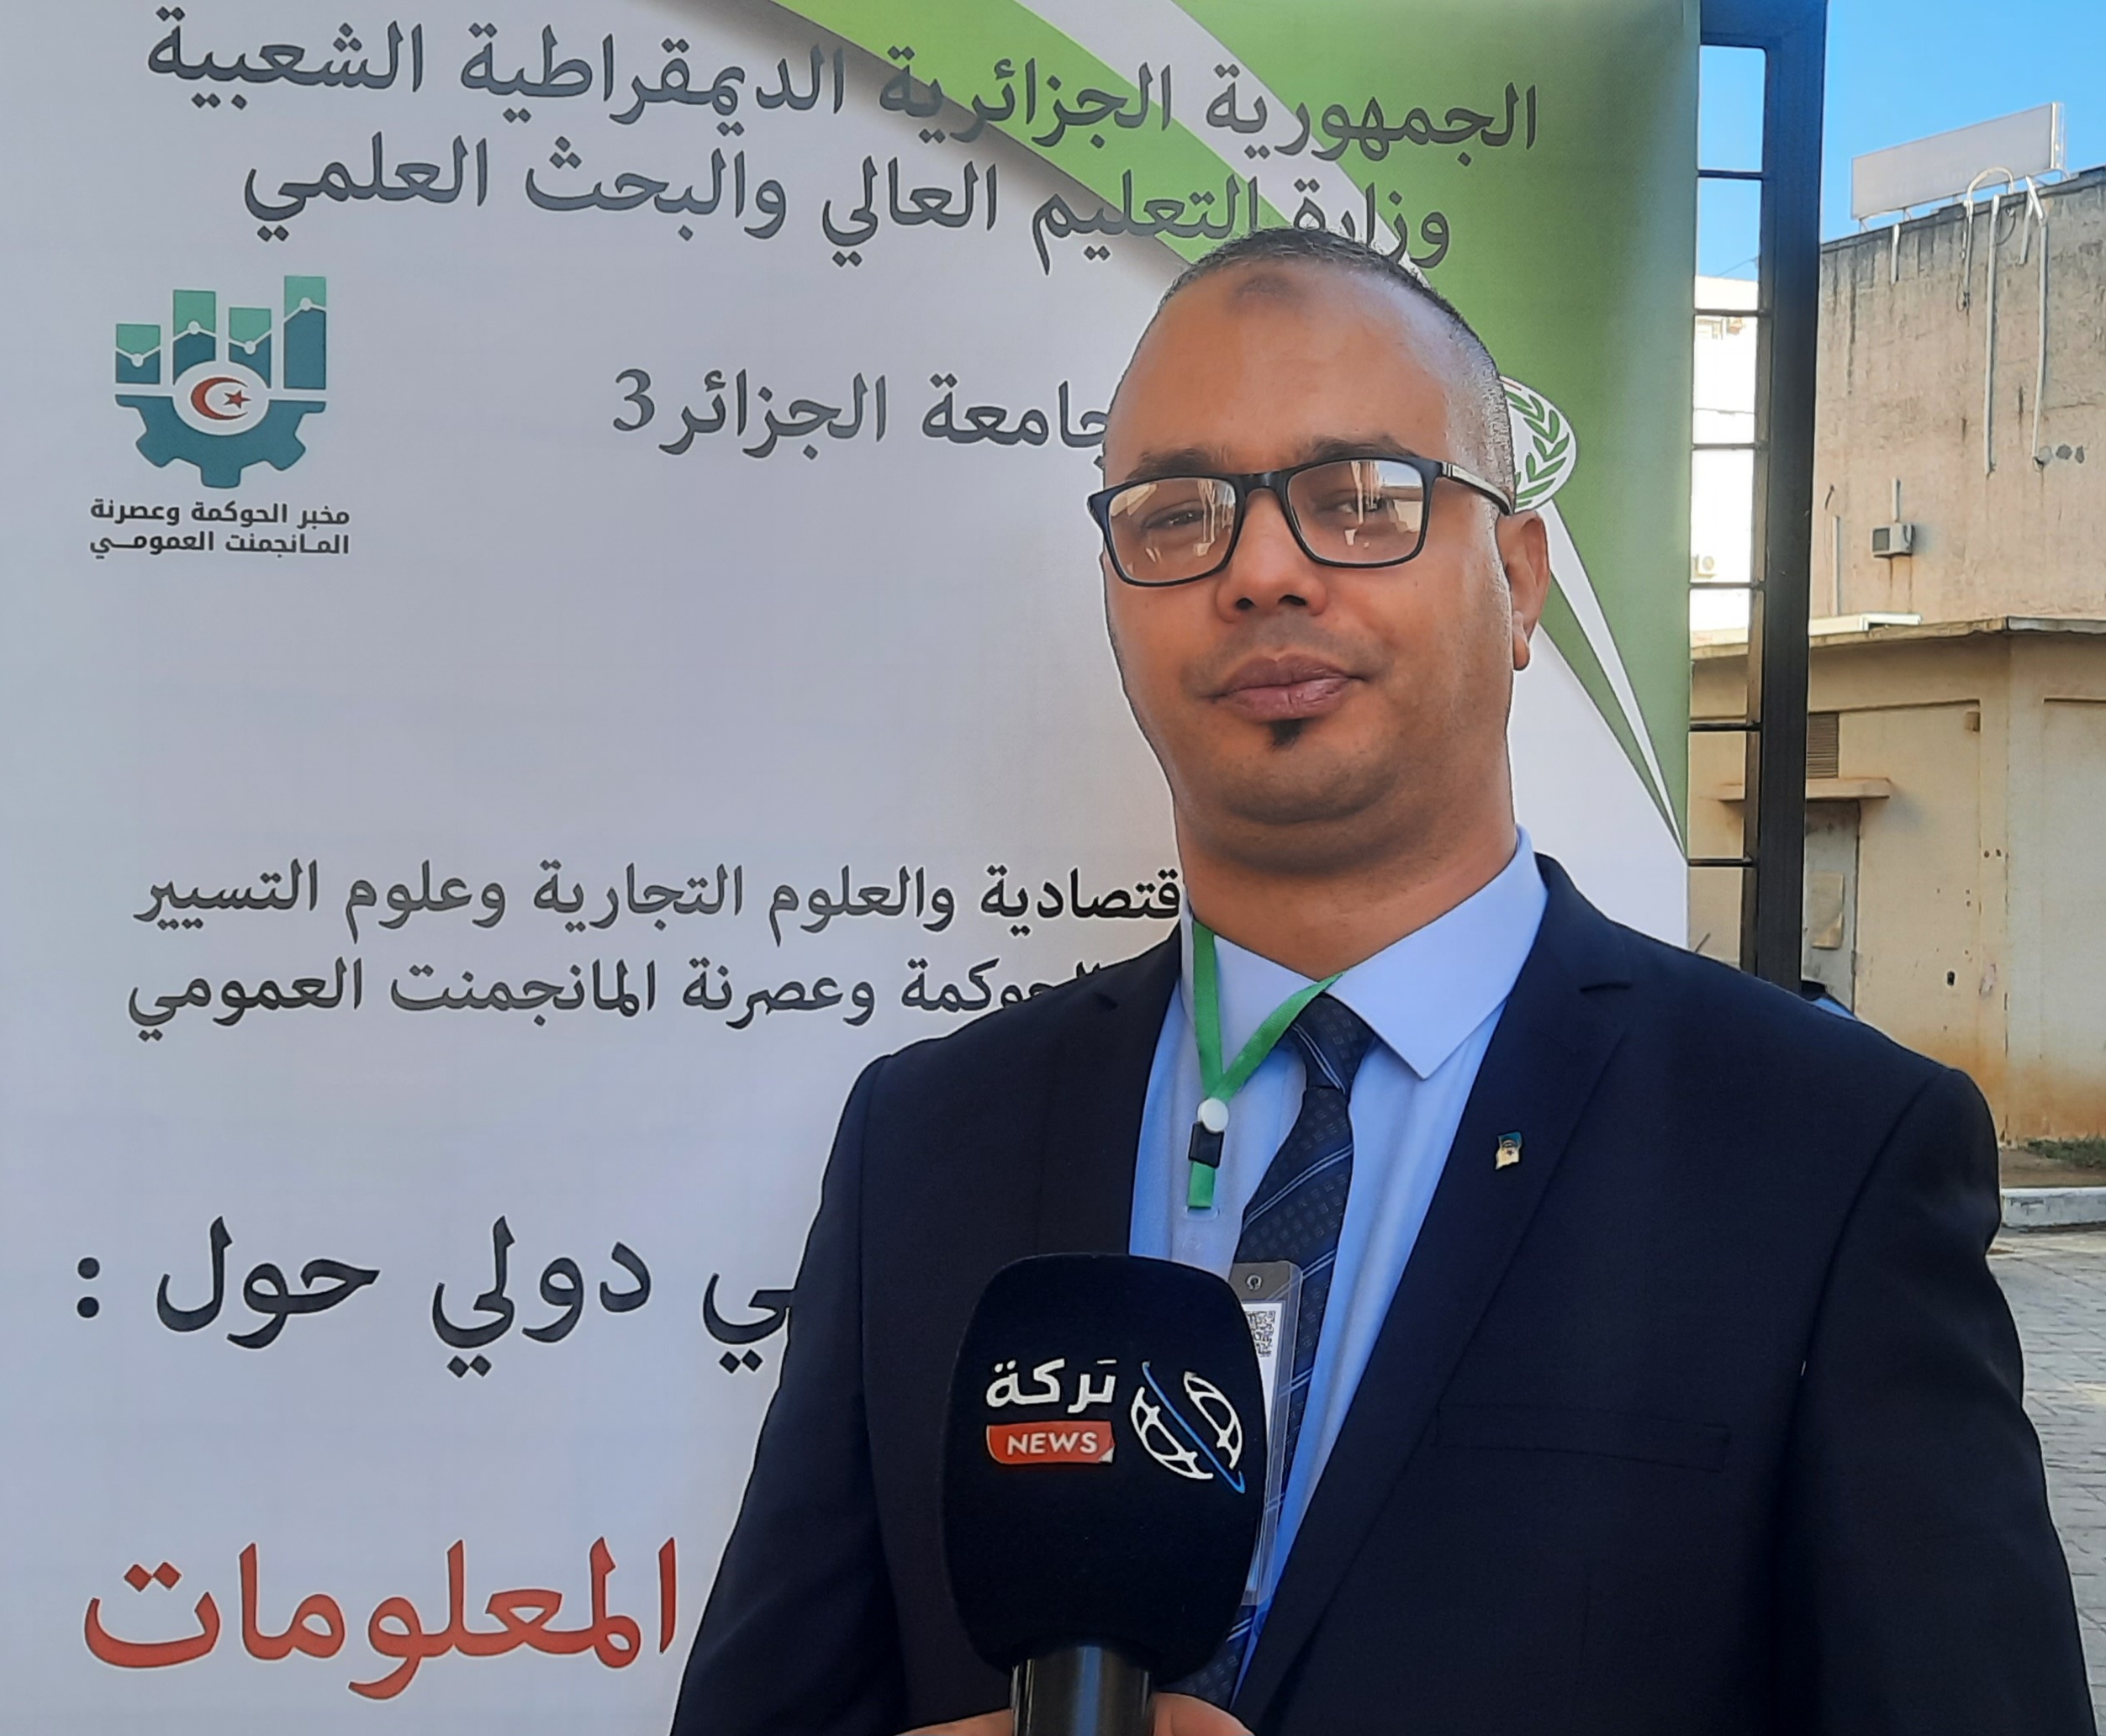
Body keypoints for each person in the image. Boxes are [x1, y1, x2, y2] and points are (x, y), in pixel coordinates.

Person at [670, 228, 2093, 1736]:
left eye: (1360, 498)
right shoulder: (925, 1141)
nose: (1261, 570)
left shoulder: (1825, 1154)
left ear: (1521, 579)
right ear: (1116, 597)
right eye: (1178, 514)